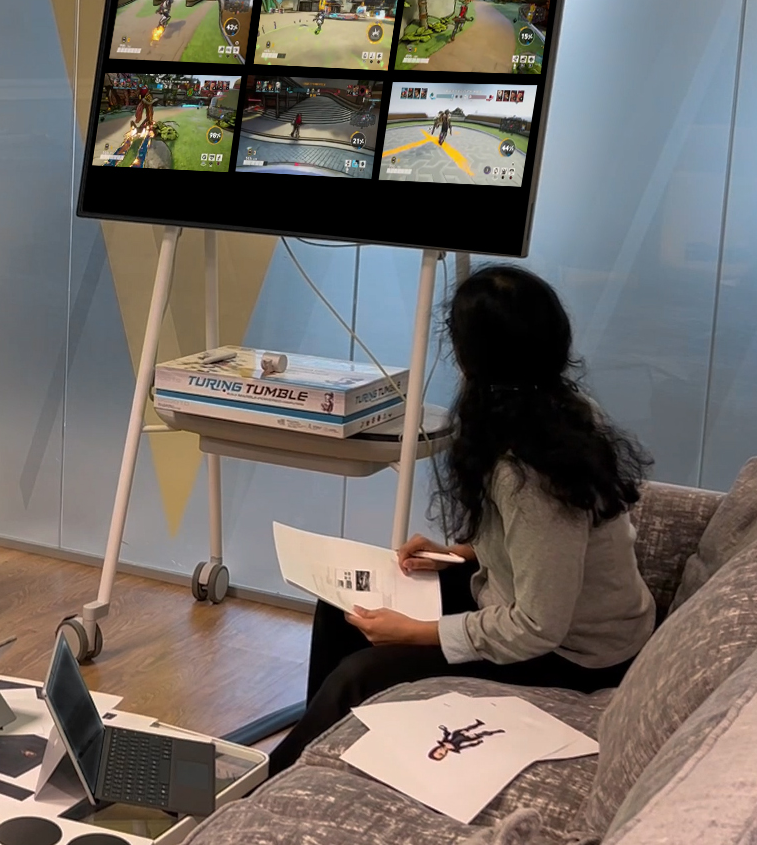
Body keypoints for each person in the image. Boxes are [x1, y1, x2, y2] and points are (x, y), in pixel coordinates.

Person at [269, 265, 655, 771]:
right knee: (342, 605)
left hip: (578, 657)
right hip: (532, 605)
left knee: (360, 675)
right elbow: (550, 547)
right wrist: (463, 553)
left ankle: (273, 784)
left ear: (472, 357)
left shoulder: (531, 473)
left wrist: (415, 632)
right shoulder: (552, 406)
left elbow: (537, 627)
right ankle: (311, 754)